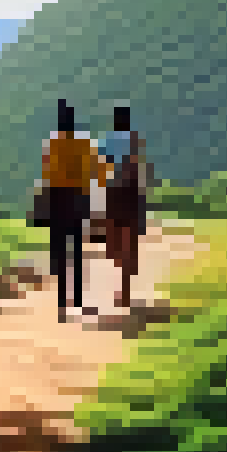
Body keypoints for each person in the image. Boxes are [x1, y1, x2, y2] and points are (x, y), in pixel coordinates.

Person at [37, 98, 100, 321]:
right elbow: (94, 170)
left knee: (61, 250)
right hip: (79, 198)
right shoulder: (84, 142)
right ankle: (79, 299)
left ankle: (63, 302)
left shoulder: (51, 143)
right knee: (77, 250)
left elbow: (47, 173)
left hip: (57, 198)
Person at [96, 103, 150, 308]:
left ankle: (101, 230)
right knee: (138, 208)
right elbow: (140, 166)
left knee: (101, 206)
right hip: (131, 191)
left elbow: (100, 165)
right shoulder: (135, 139)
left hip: (112, 190)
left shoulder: (107, 140)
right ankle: (140, 226)